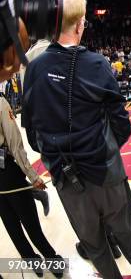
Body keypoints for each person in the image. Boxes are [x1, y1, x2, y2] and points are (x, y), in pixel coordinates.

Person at [21, 0, 131, 279]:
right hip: (105, 172)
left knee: (95, 247)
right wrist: (103, 149)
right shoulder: (96, 64)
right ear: (80, 25)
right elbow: (121, 123)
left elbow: (31, 131)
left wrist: (55, 158)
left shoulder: (34, 68)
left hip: (66, 179)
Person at [0, 95, 63, 278]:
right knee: (30, 223)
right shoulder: (1, 102)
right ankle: (53, 263)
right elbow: (14, 143)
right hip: (7, 171)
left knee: (12, 225)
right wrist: (33, 176)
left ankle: (33, 263)